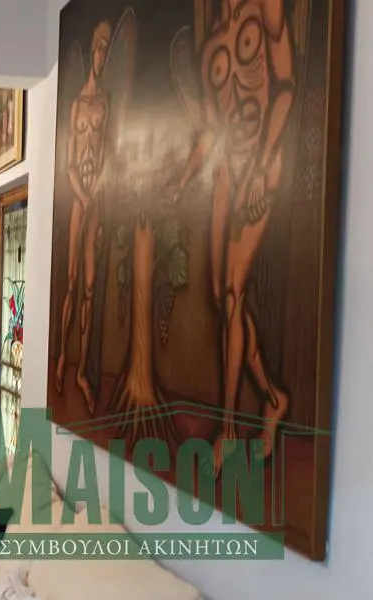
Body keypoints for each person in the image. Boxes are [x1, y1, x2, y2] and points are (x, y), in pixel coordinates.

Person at [172, 0, 295, 476]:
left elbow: (284, 88)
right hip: (225, 175)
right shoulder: (211, 47)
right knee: (224, 300)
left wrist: (263, 166)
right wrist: (182, 181)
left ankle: (228, 430)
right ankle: (273, 397)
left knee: (232, 293)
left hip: (260, 167)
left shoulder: (266, 8)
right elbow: (210, 132)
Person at [55, 21, 113, 413]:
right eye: (99, 47)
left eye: (107, 48)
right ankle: (63, 355)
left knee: (90, 287)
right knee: (73, 281)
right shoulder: (76, 104)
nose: (102, 54)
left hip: (97, 198)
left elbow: (109, 154)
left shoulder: (107, 104)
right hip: (80, 199)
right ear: (92, 50)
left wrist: (98, 192)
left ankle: (81, 371)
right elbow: (69, 163)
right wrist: (82, 195)